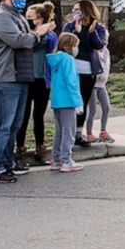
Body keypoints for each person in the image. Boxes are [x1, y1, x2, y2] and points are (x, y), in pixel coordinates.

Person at [0, 0, 53, 184]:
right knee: (3, 124)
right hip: (5, 77)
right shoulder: (1, 17)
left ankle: (6, 162)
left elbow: (30, 41)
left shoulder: (18, 17)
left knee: (14, 125)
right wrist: (38, 33)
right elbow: (19, 41)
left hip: (21, 76)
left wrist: (38, 35)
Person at [61, 0, 108, 146]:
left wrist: (91, 32)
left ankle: (78, 133)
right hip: (71, 69)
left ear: (86, 11)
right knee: (71, 101)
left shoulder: (97, 27)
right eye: (74, 10)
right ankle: (67, 132)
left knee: (82, 102)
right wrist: (76, 31)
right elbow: (63, 43)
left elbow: (99, 46)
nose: (74, 13)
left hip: (88, 70)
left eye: (77, 10)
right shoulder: (69, 26)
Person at [17, 1, 58, 167]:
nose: (26, 20)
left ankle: (40, 149)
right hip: (26, 79)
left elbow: (47, 45)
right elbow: (28, 46)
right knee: (23, 116)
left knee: (38, 115)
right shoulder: (24, 34)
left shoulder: (50, 35)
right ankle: (20, 149)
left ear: (40, 19)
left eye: (30, 17)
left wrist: (44, 33)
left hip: (41, 79)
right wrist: (36, 34)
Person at [46, 33, 84, 173]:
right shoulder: (68, 60)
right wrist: (77, 102)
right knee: (69, 131)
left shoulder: (56, 59)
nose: (76, 49)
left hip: (57, 100)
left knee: (59, 132)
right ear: (68, 46)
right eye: (75, 45)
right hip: (68, 101)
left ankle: (56, 159)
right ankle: (66, 160)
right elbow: (71, 82)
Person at [85, 45, 114, 143]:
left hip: (102, 84)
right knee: (92, 110)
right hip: (93, 85)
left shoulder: (106, 51)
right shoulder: (93, 51)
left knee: (106, 107)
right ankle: (89, 133)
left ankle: (103, 131)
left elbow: (107, 66)